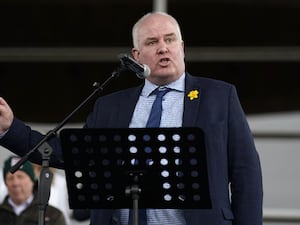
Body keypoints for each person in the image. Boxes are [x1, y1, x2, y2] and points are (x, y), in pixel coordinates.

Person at [0, 12, 263, 225]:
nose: (163, 48)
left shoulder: (218, 96)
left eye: (170, 40)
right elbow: (63, 154)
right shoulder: (111, 106)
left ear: (182, 47)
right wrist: (11, 128)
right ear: (136, 55)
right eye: (152, 42)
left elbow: (245, 172)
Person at [0, 155, 66, 225]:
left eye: (20, 177)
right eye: (10, 178)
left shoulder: (53, 216)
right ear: (5, 183)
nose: (16, 183)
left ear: (32, 181)